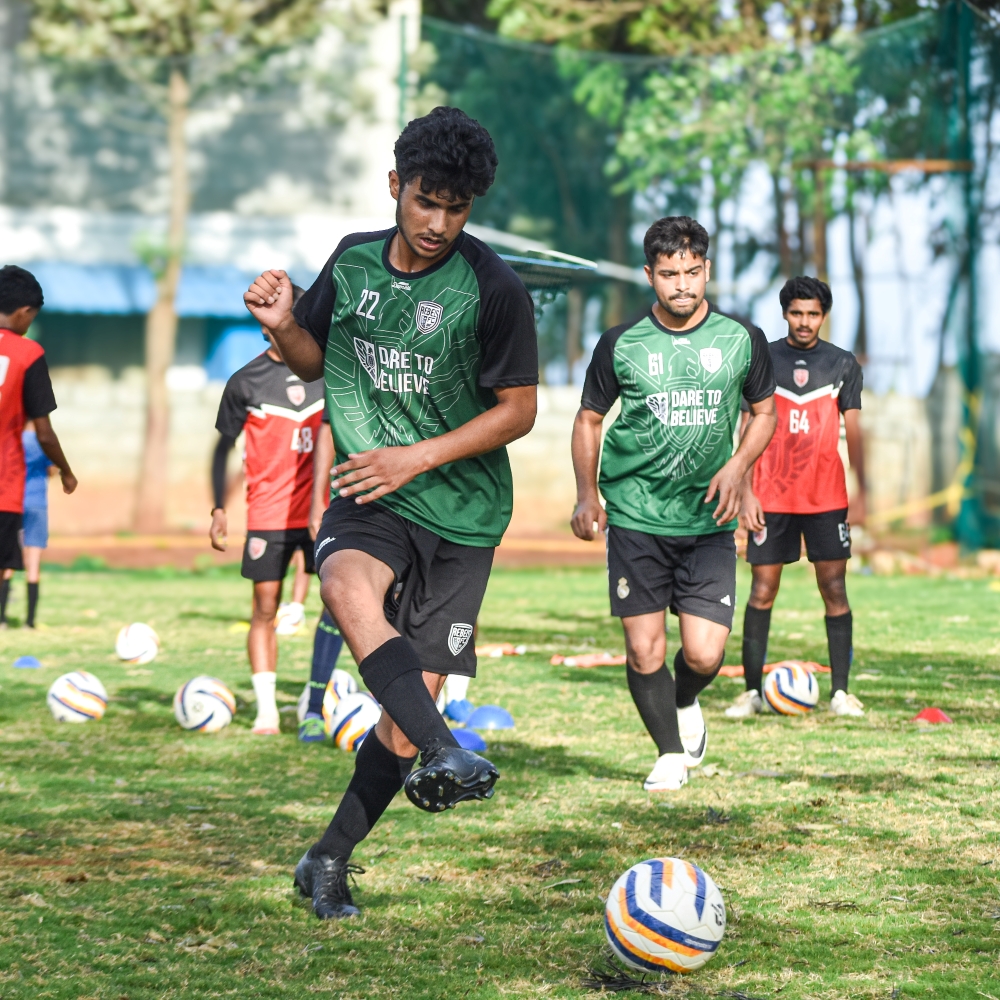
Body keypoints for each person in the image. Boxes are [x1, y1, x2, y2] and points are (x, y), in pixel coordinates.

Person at [243, 106, 538, 920]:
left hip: (463, 515)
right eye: (425, 201)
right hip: (370, 492)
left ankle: (327, 857)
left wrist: (418, 455)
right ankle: (448, 746)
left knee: (402, 727)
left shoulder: (493, 288)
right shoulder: (352, 261)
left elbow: (519, 411)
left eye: (456, 208)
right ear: (395, 185)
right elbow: (313, 358)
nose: (438, 223)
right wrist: (284, 325)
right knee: (344, 585)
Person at [571, 216, 776, 792]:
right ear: (649, 276)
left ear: (707, 269)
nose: (681, 285)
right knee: (644, 650)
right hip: (636, 515)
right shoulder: (621, 344)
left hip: (708, 520)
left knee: (705, 655)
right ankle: (668, 753)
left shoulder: (742, 338)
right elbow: (588, 420)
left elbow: (765, 412)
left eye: (691, 272)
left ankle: (684, 697)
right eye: (668, 274)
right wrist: (587, 494)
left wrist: (738, 468)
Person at [728, 276, 866, 719]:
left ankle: (841, 694)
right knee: (762, 590)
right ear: (785, 313)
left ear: (824, 316)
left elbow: (855, 430)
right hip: (770, 497)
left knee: (834, 588)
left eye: (813, 314)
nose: (804, 322)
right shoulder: (763, 359)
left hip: (826, 497)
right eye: (796, 313)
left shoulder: (842, 364)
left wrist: (863, 489)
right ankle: (751, 693)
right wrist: (746, 491)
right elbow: (746, 427)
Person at [209, 289, 326, 735]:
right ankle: (267, 711)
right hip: (268, 515)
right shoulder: (245, 381)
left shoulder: (331, 371)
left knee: (346, 604)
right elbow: (222, 449)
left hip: (324, 513)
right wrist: (219, 507)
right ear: (265, 325)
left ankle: (318, 696)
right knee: (264, 608)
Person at [0, 265, 77, 628]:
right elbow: (44, 432)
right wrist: (66, 471)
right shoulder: (27, 353)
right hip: (4, 484)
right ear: (24, 311)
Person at [1, 422, 55, 628]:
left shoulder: (10, 440)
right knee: (33, 564)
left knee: (7, 563)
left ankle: (2, 619)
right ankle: (30, 622)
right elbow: (52, 470)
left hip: (13, 503)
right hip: (37, 503)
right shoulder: (44, 440)